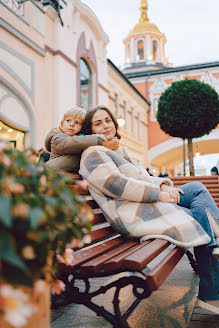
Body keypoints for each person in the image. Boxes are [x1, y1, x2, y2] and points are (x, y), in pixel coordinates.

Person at [80, 105, 219, 315]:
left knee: (196, 189)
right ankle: (210, 289)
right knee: (201, 219)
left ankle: (214, 257)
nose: (105, 125)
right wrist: (160, 195)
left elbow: (144, 178)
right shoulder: (93, 153)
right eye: (98, 123)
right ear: (90, 133)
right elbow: (116, 185)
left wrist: (163, 185)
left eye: (108, 120)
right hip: (135, 215)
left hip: (147, 206)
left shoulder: (119, 152)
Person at [45, 106, 119, 173]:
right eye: (68, 120)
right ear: (61, 123)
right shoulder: (56, 137)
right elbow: (72, 143)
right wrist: (102, 142)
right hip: (48, 175)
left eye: (77, 122)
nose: (72, 124)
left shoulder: (82, 140)